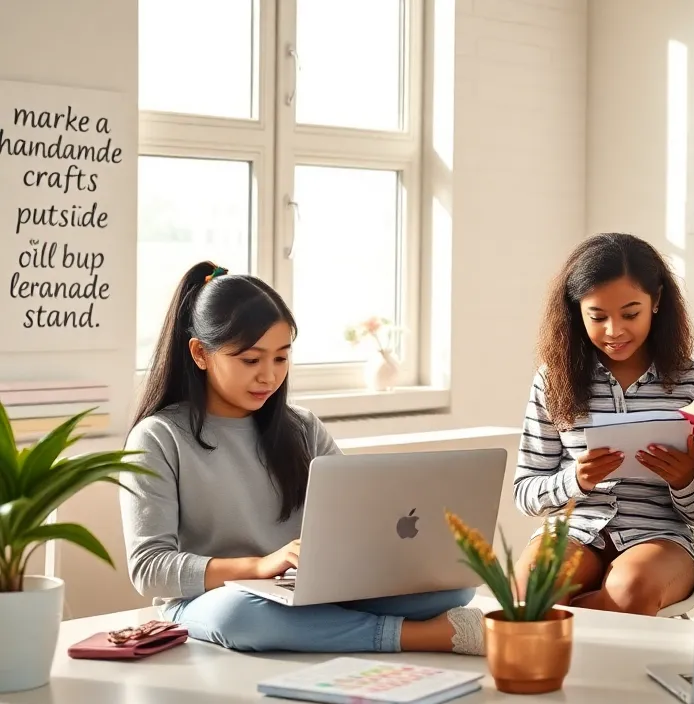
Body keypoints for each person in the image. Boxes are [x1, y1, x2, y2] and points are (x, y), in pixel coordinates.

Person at [120, 262, 485, 655]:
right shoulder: (158, 437)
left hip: (303, 590)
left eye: (281, 358)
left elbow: (358, 516)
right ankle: (422, 635)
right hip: (212, 600)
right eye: (250, 360)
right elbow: (149, 569)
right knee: (241, 616)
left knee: (452, 583)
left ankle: (347, 623)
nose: (269, 376)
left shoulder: (302, 427)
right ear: (200, 354)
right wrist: (258, 566)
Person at [513, 233, 694, 615]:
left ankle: (583, 618)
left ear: (656, 301)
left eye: (630, 313)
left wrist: (684, 480)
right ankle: (571, 633)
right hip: (573, 530)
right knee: (535, 588)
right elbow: (525, 492)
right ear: (577, 311)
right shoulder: (554, 379)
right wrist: (576, 479)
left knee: (630, 590)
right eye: (597, 317)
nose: (614, 331)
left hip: (660, 537)